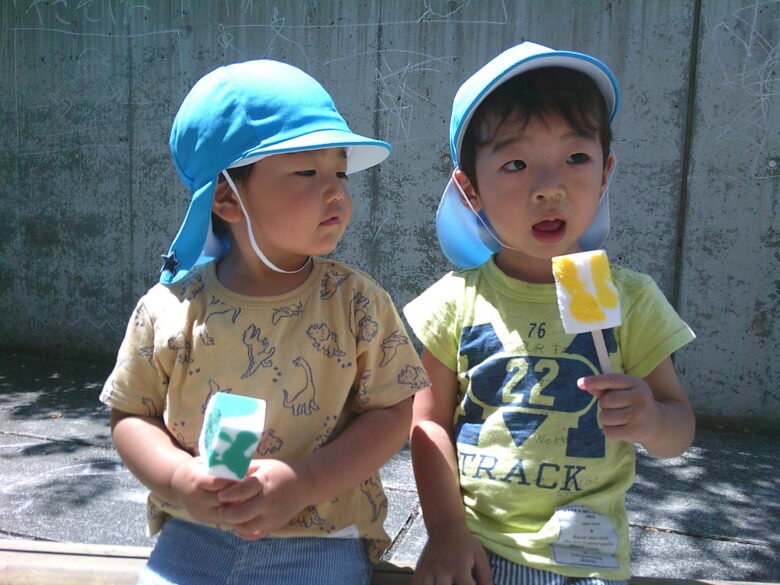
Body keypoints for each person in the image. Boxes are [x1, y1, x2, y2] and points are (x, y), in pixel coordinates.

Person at [100, 59, 429, 585]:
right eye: (307, 171)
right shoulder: (169, 308)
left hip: (319, 535)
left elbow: (392, 411)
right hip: (195, 536)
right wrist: (180, 478)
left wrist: (303, 482)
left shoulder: (355, 303)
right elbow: (130, 416)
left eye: (340, 171)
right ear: (228, 197)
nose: (336, 192)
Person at [403, 42, 696, 585]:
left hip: (591, 557)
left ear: (606, 172)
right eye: (515, 163)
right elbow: (428, 426)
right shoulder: (452, 303)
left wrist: (653, 420)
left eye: (576, 157)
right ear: (470, 192)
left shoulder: (631, 301)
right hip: (479, 550)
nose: (550, 187)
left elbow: (680, 427)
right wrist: (444, 529)